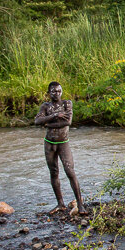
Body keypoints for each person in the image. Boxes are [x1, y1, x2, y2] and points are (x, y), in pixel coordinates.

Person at [34, 82, 86, 214]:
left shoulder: (66, 104)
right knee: (54, 172)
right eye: (53, 91)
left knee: (70, 171)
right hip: (49, 143)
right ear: (49, 93)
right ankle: (60, 203)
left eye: (58, 91)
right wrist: (54, 116)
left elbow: (67, 122)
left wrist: (48, 124)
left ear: (62, 92)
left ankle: (80, 205)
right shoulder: (45, 106)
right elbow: (37, 121)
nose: (56, 94)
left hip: (63, 143)